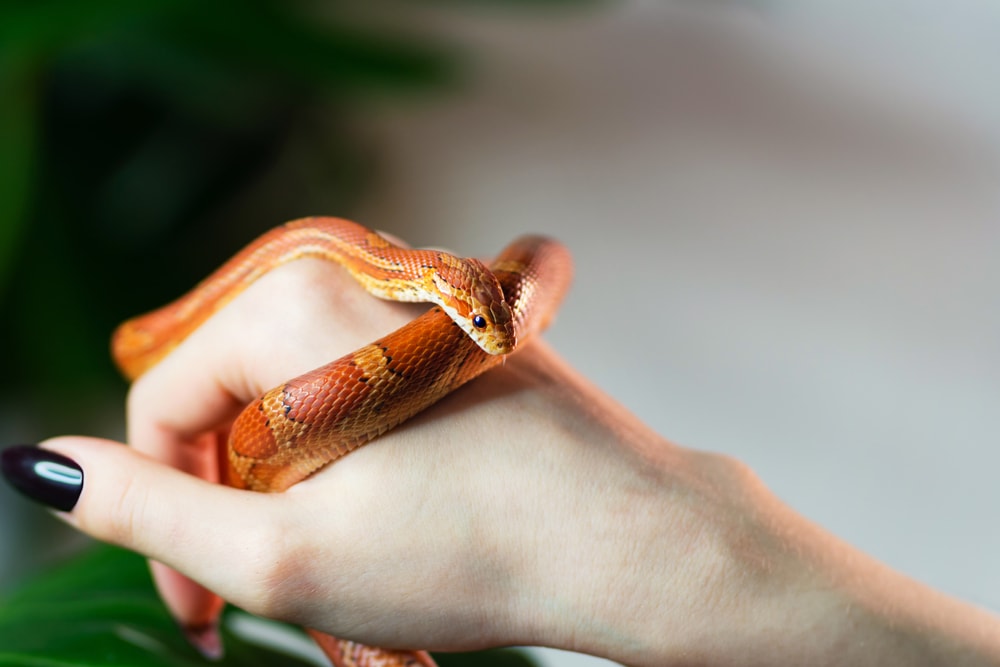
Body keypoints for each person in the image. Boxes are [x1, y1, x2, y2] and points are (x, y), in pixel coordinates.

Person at [3, 255, 1000, 666]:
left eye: (488, 319)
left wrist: (696, 538)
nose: (486, 334)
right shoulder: (397, 272)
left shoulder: (465, 299)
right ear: (437, 287)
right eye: (472, 320)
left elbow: (527, 272)